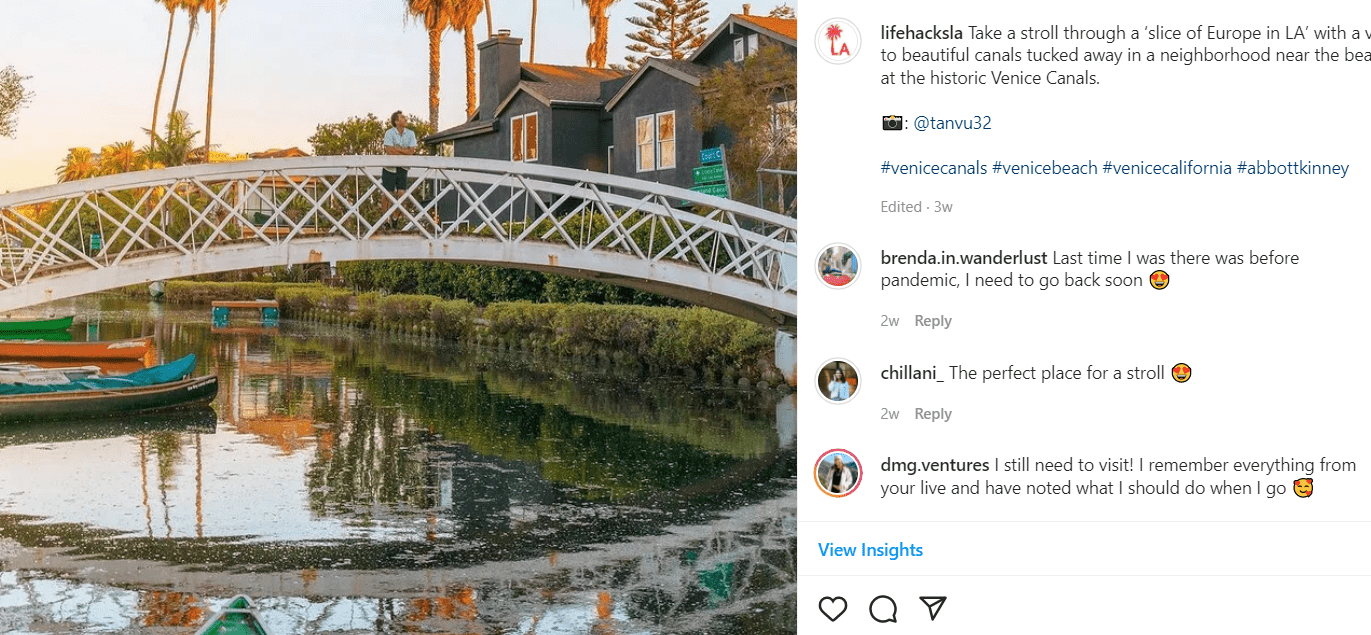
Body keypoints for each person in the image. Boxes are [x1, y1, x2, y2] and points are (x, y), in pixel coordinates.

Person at [382, 111, 417, 196]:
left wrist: (397, 149)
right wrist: (405, 151)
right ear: (396, 121)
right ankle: (385, 210)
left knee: (401, 194)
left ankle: (398, 210)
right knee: (387, 194)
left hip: (403, 168)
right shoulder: (389, 133)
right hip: (389, 168)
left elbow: (411, 151)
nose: (405, 119)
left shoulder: (410, 133)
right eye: (402, 117)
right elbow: (390, 151)